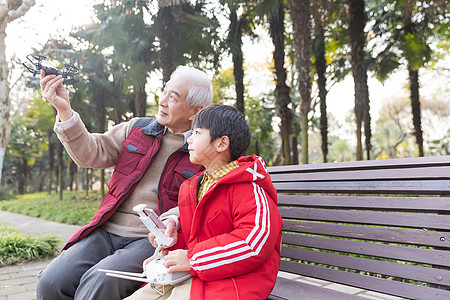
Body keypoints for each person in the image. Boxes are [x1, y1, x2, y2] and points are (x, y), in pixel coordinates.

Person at [36, 66, 213, 300]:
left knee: (99, 281)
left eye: (174, 97)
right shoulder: (137, 128)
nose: (162, 101)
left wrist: (174, 219)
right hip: (106, 230)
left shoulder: (205, 148)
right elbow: (91, 153)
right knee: (51, 282)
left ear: (195, 112)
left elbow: (205, 199)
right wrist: (64, 110)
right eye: (164, 91)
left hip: (149, 239)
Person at [126, 104, 284, 300]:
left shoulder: (250, 188)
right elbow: (197, 237)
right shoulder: (195, 187)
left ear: (221, 144)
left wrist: (192, 259)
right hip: (199, 274)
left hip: (236, 281)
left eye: (197, 133)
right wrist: (170, 249)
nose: (189, 140)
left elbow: (253, 244)